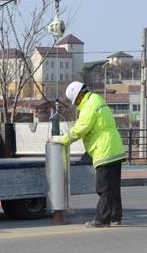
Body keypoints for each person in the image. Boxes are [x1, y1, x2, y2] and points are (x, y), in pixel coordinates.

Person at [51, 81, 126, 228]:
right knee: (113, 187)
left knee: (103, 187)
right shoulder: (97, 99)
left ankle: (102, 219)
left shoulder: (90, 105)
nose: (76, 103)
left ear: (79, 95)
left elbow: (80, 129)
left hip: (105, 150)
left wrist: (62, 139)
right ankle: (115, 217)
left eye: (75, 100)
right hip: (114, 148)